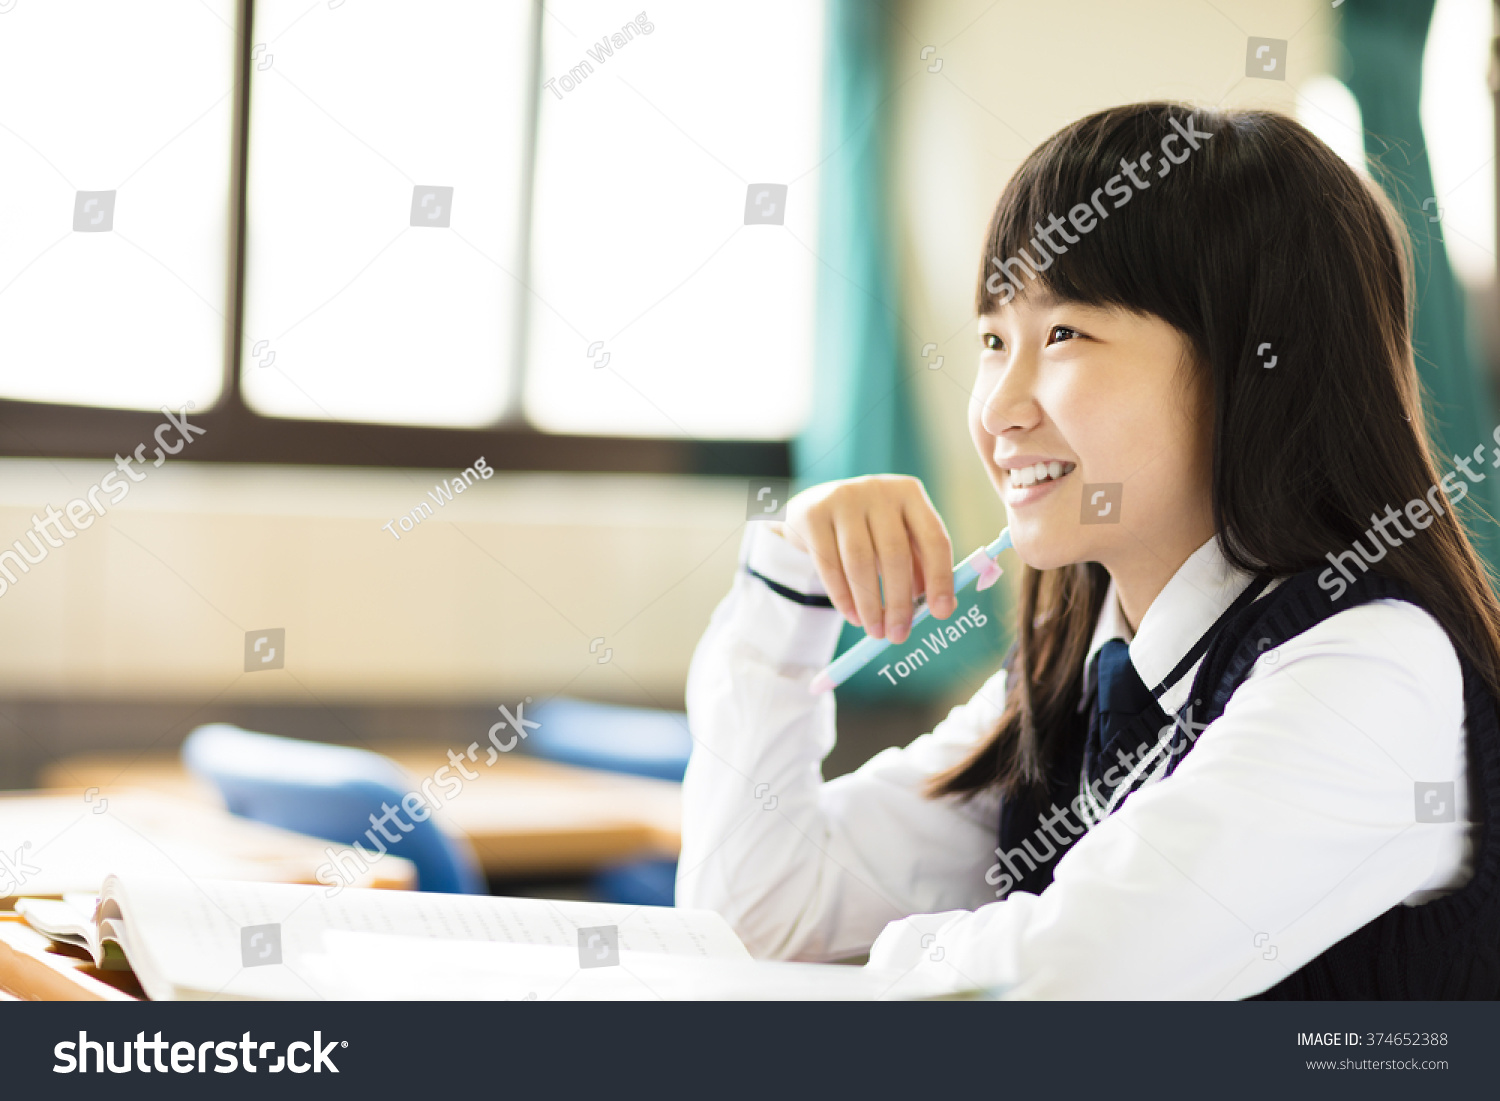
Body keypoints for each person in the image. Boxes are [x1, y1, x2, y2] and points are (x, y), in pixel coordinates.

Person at [675, 101, 1500, 999]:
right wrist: (790, 583)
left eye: (1064, 334)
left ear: (1258, 362)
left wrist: (914, 955)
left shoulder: (1370, 666)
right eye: (994, 340)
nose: (997, 408)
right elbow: (753, 917)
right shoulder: (1078, 674)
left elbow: (1076, 985)